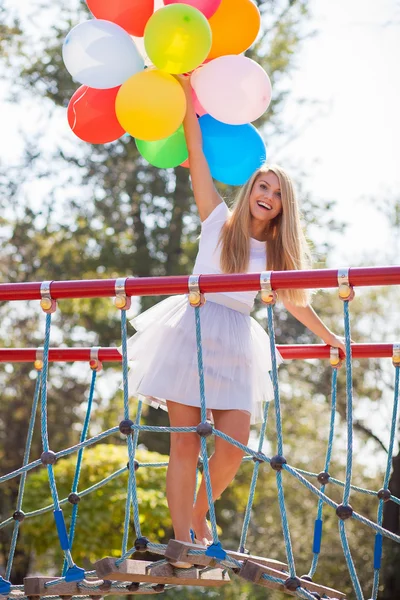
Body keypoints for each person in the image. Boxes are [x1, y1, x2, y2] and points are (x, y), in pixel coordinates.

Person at [124, 75, 345, 558]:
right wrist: (185, 102)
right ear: (250, 190)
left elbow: (296, 302)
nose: (268, 194)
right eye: (262, 185)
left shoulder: (277, 253)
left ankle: (200, 511)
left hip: (237, 342)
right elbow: (198, 162)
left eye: (278, 192)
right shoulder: (216, 222)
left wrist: (330, 336)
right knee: (184, 443)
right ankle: (182, 538)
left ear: (284, 206)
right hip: (193, 330)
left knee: (233, 445)